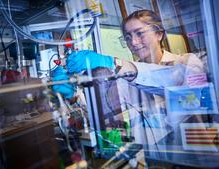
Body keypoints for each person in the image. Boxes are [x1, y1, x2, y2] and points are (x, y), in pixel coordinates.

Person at [52, 9, 204, 145]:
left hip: (193, 156)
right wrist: (74, 97)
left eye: (140, 33)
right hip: (150, 159)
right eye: (128, 37)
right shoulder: (127, 76)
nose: (134, 42)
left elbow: (177, 89)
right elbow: (108, 115)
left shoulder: (188, 62)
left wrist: (114, 64)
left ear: (159, 34)